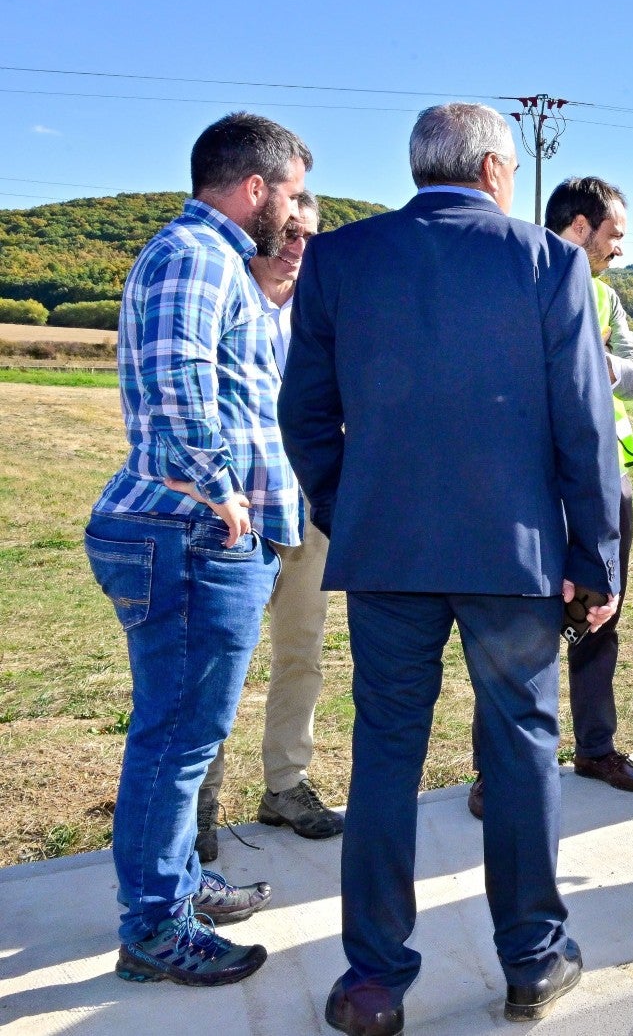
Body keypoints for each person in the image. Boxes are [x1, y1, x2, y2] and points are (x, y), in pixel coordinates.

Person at [280, 103, 622, 1035]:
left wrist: (349, 507)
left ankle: (374, 981)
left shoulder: (341, 259)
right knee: (518, 749)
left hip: (387, 549)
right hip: (511, 554)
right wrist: (595, 560)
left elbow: (303, 413)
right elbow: (585, 426)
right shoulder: (548, 262)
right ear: (492, 168)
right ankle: (533, 959)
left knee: (385, 751)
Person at [84, 111, 310, 986]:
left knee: (186, 729)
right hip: (191, 531)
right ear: (254, 187)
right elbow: (179, 394)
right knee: (178, 737)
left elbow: (245, 385)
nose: (292, 216)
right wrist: (223, 494)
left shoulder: (228, 266)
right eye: (288, 196)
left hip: (207, 532)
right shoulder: (196, 255)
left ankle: (175, 881)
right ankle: (153, 926)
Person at [469, 176, 633, 819]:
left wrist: (605, 365)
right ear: (580, 226)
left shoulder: (603, 297)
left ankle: (595, 747)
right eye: (615, 236)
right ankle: (498, 767)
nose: (620, 251)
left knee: (601, 614)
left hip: (603, 482)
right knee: (514, 623)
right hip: (528, 482)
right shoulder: (508, 280)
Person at [195, 191, 343, 860]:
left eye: (309, 235)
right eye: (287, 231)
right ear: (261, 228)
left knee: (301, 653)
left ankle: (285, 783)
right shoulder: (228, 297)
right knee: (218, 663)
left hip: (305, 510)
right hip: (238, 515)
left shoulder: (320, 317)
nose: (297, 246)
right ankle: (200, 801)